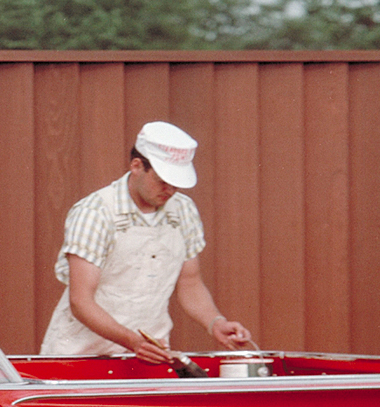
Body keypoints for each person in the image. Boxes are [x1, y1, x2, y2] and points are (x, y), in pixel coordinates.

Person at [39, 120, 252, 362]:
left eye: (176, 184)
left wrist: (215, 322)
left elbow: (190, 283)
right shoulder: (95, 212)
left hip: (148, 352)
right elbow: (80, 301)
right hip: (80, 355)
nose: (170, 190)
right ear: (137, 166)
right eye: (162, 181)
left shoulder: (183, 210)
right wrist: (132, 341)